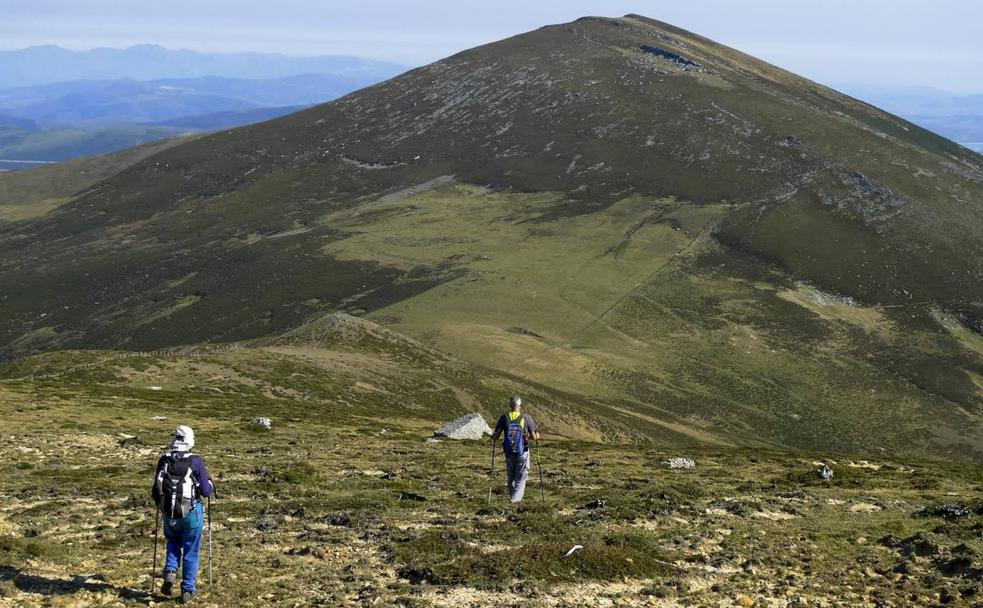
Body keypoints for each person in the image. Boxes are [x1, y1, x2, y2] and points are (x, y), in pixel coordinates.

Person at [151, 425, 214, 604]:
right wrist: (210, 484)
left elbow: (156, 489)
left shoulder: (164, 460)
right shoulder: (196, 461)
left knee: (172, 542)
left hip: (169, 514)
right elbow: (206, 491)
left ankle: (170, 571)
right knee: (191, 550)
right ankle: (187, 590)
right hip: (191, 514)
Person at [491, 395, 541, 503]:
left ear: (510, 405)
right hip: (523, 452)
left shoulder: (504, 417)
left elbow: (496, 436)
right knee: (521, 478)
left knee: (511, 477)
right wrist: (537, 436)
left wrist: (493, 437)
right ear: (520, 406)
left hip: (509, 453)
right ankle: (514, 501)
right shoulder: (526, 417)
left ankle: (513, 499)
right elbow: (534, 437)